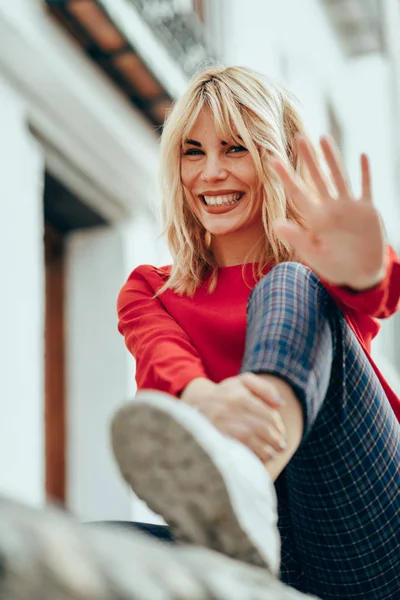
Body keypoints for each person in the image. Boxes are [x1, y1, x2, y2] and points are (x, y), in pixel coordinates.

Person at [112, 65, 400, 600]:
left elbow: (374, 293)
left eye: (236, 148)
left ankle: (244, 474)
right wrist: (205, 402)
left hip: (370, 533)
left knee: (289, 280)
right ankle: (238, 497)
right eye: (193, 151)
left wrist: (363, 268)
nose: (211, 172)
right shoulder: (149, 291)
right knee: (93, 549)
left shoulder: (313, 266)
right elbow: (162, 359)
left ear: (276, 158)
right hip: (258, 554)